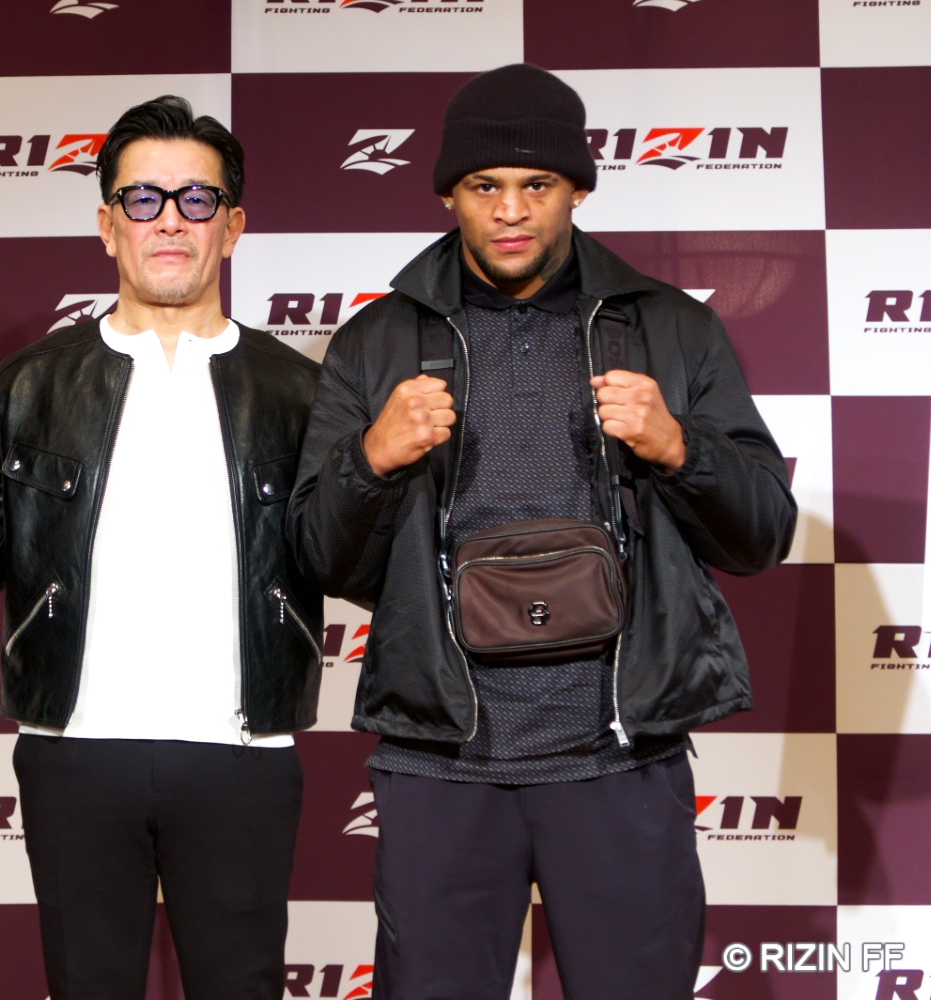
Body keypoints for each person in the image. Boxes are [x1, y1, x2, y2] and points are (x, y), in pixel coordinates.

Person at [287, 63, 797, 999]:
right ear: (448, 194)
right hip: (441, 759)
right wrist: (372, 460)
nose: (511, 210)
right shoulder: (374, 342)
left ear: (579, 189)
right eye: (485, 186)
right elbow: (320, 558)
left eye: (538, 184)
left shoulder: (673, 329)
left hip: (618, 753)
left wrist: (680, 447)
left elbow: (762, 536)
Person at [0, 95, 324, 1000]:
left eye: (197, 199)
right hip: (74, 746)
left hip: (243, 749)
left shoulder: (299, 391)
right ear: (108, 225)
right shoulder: (33, 383)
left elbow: (342, 553)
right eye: (143, 198)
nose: (170, 220)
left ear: (232, 226)